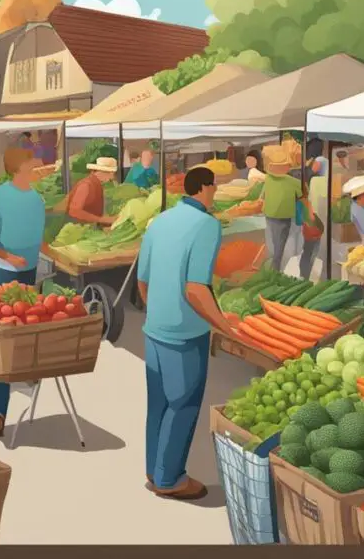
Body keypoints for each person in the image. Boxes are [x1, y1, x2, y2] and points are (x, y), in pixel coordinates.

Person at [137, 166, 224, 501]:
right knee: (183, 404)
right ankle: (170, 479)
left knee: (158, 404)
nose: (215, 192)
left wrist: (158, 312)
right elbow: (196, 289)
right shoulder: (207, 225)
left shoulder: (160, 221)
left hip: (155, 328)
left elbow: (142, 280)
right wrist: (224, 325)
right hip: (185, 334)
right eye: (214, 187)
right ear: (203, 188)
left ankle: (154, 469)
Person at [0, 148, 48, 437]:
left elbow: (38, 238)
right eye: (32, 165)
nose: (36, 168)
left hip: (29, 273)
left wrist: (57, 254)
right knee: (0, 340)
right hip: (2, 272)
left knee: (25, 333)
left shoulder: (36, 199)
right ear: (18, 169)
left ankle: (23, 380)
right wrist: (4, 255)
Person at [262, 153, 302, 272]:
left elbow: (263, 196)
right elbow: (303, 195)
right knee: (281, 244)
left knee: (274, 243)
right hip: (284, 217)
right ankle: (277, 268)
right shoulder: (294, 182)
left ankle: (275, 267)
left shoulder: (268, 179)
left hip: (270, 215)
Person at [68, 157, 119, 226]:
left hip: (89, 226)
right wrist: (102, 219)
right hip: (77, 227)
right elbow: (74, 211)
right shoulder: (86, 185)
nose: (112, 177)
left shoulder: (97, 184)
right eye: (111, 173)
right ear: (102, 172)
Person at [300, 157, 328, 280]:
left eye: (316, 164)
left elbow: (310, 200)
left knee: (310, 249)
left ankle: (305, 275)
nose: (314, 166)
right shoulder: (326, 180)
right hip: (321, 219)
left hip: (314, 219)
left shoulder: (315, 180)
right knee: (316, 249)